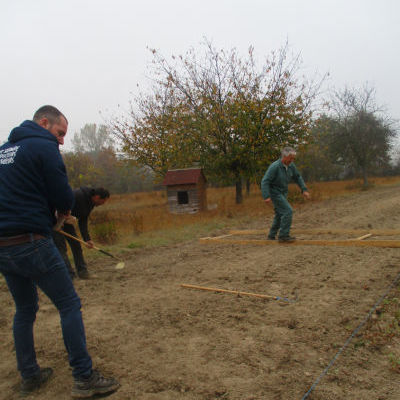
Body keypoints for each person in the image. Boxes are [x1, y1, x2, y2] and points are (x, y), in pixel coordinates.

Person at [0, 105, 119, 397]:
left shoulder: (3, 151)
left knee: (25, 309)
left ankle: (30, 375)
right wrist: (62, 211)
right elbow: (63, 194)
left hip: (3, 246)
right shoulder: (44, 146)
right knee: (68, 304)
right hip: (31, 241)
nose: (62, 140)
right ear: (44, 122)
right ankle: (84, 377)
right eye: (60, 133)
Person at [53, 187, 110, 279]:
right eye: (102, 201)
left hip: (66, 221)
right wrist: (60, 221)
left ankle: (82, 272)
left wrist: (87, 239)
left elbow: (83, 220)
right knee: (61, 247)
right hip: (54, 221)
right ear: (97, 197)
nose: (102, 204)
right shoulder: (77, 195)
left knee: (76, 245)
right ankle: (69, 275)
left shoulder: (91, 203)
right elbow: (60, 205)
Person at [261, 146, 310, 242]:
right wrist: (266, 196)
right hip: (274, 192)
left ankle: (271, 235)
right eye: (291, 158)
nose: (292, 160)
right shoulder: (275, 166)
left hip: (283, 192)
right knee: (288, 211)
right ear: (284, 156)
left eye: (293, 158)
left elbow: (297, 177)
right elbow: (265, 181)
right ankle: (283, 236)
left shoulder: (291, 166)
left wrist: (304, 189)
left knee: (280, 213)